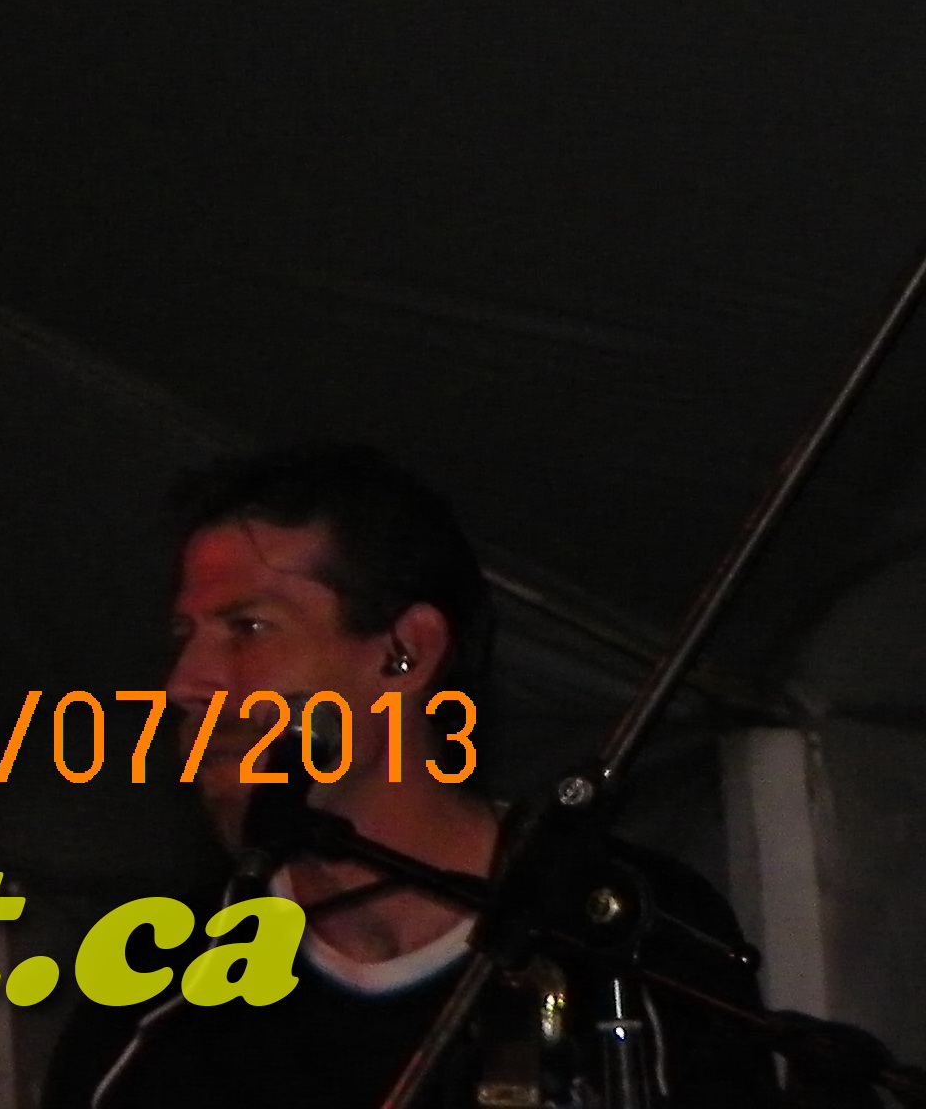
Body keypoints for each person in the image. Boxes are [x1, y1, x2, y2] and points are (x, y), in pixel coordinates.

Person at [46, 443, 770, 1109]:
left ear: (407, 652)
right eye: (186, 637)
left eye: (249, 629)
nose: (187, 683)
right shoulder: (158, 996)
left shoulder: (625, 933)